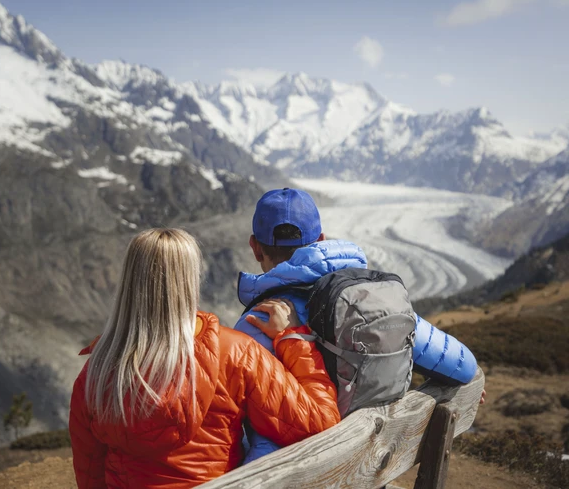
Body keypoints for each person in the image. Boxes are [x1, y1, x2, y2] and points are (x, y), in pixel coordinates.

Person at [69, 228, 341, 489]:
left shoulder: (97, 373)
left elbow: (91, 476)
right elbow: (319, 422)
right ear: (191, 279)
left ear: (129, 282)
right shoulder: (236, 353)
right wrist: (293, 339)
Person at [235, 188, 485, 464]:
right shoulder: (369, 301)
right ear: (320, 240)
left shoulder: (254, 325)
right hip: (369, 464)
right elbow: (462, 366)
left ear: (255, 247)